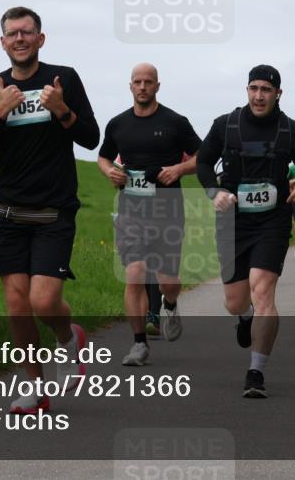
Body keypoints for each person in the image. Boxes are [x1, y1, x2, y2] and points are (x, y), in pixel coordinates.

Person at [0, 6, 100, 414]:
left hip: (54, 210)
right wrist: (0, 111)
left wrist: (61, 109)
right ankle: (33, 387)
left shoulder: (65, 79)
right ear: (3, 42)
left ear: (41, 39)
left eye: (27, 32)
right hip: (8, 211)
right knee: (16, 305)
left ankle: (68, 339)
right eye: (12, 33)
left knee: (44, 303)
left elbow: (91, 138)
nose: (20, 38)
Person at [197, 65, 295, 398]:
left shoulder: (291, 130)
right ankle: (245, 317)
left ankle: (256, 371)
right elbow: (203, 162)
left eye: (266, 89)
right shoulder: (225, 125)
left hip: (272, 220)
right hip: (233, 219)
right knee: (235, 301)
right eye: (254, 88)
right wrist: (214, 191)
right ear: (246, 90)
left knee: (262, 290)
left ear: (278, 93)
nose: (259, 95)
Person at [97, 63, 201, 366]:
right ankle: (139, 343)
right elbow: (103, 157)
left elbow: (203, 156)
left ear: (157, 86)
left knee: (168, 280)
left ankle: (169, 304)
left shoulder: (175, 122)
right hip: (131, 209)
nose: (142, 87)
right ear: (130, 86)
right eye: (137, 82)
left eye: (148, 82)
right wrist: (110, 172)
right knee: (135, 273)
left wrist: (179, 169)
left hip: (167, 209)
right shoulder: (118, 124)